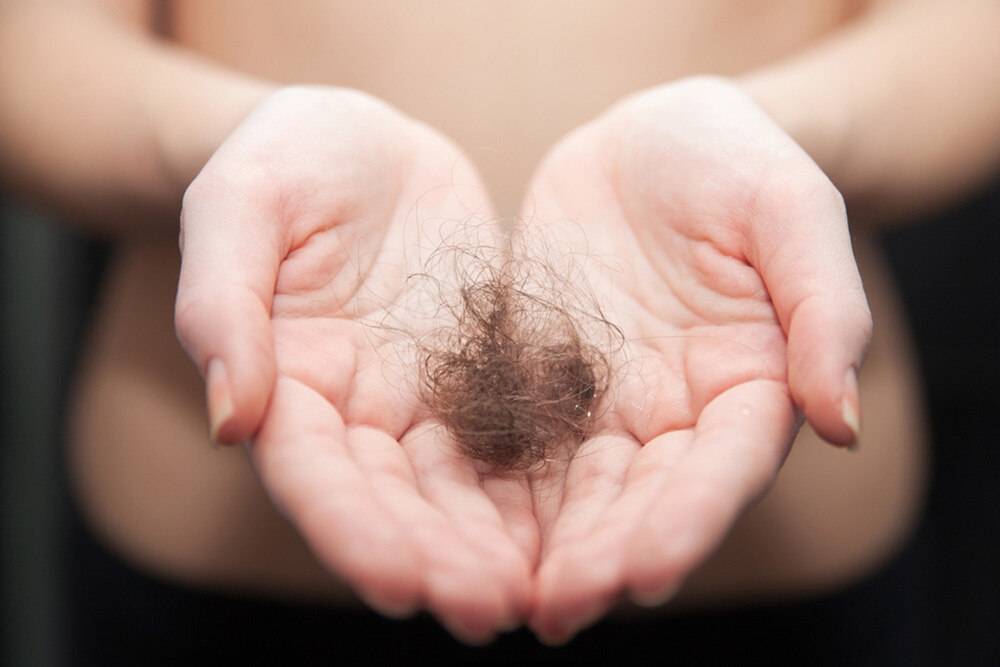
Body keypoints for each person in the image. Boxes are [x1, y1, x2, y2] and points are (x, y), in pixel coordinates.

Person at [1, 0, 997, 660]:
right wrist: (237, 145)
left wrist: (787, 132)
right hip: (217, 578)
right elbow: (31, 52)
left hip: (784, 585)